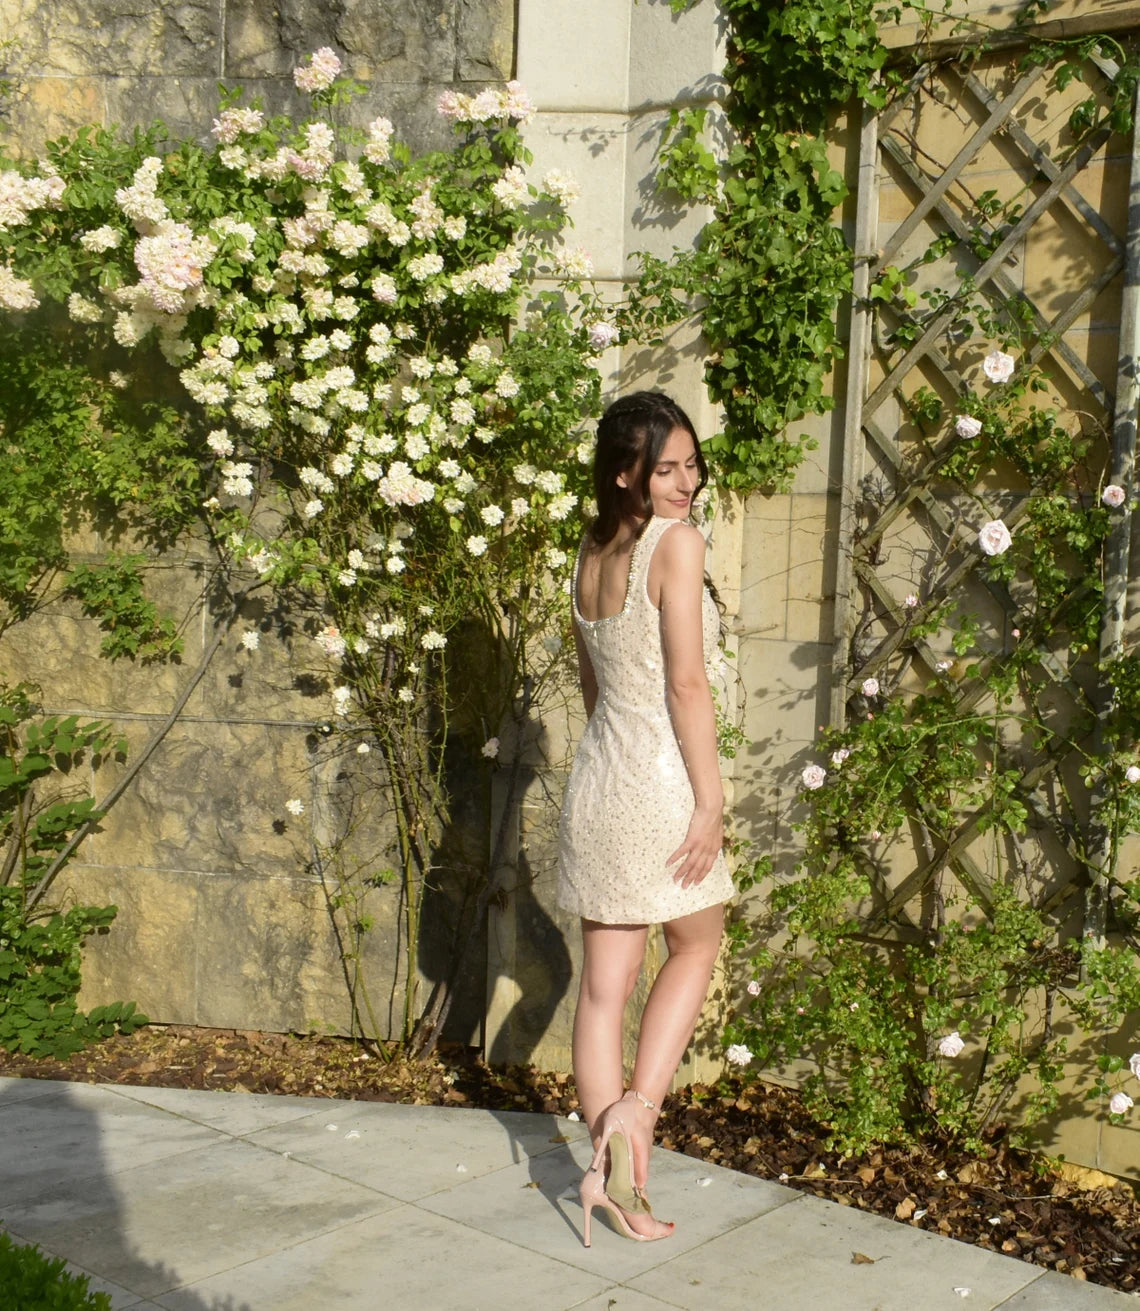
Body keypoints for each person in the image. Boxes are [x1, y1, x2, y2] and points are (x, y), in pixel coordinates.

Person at [557, 390, 736, 1247]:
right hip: (661, 784)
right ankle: (638, 1116)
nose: (686, 483)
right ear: (627, 472)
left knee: (603, 991)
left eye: (692, 466)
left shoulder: (590, 548)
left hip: (597, 780)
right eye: (667, 469)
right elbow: (685, 684)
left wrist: (615, 762)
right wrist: (710, 799)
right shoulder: (677, 543)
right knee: (696, 943)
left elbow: (593, 688)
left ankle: (615, 1186)